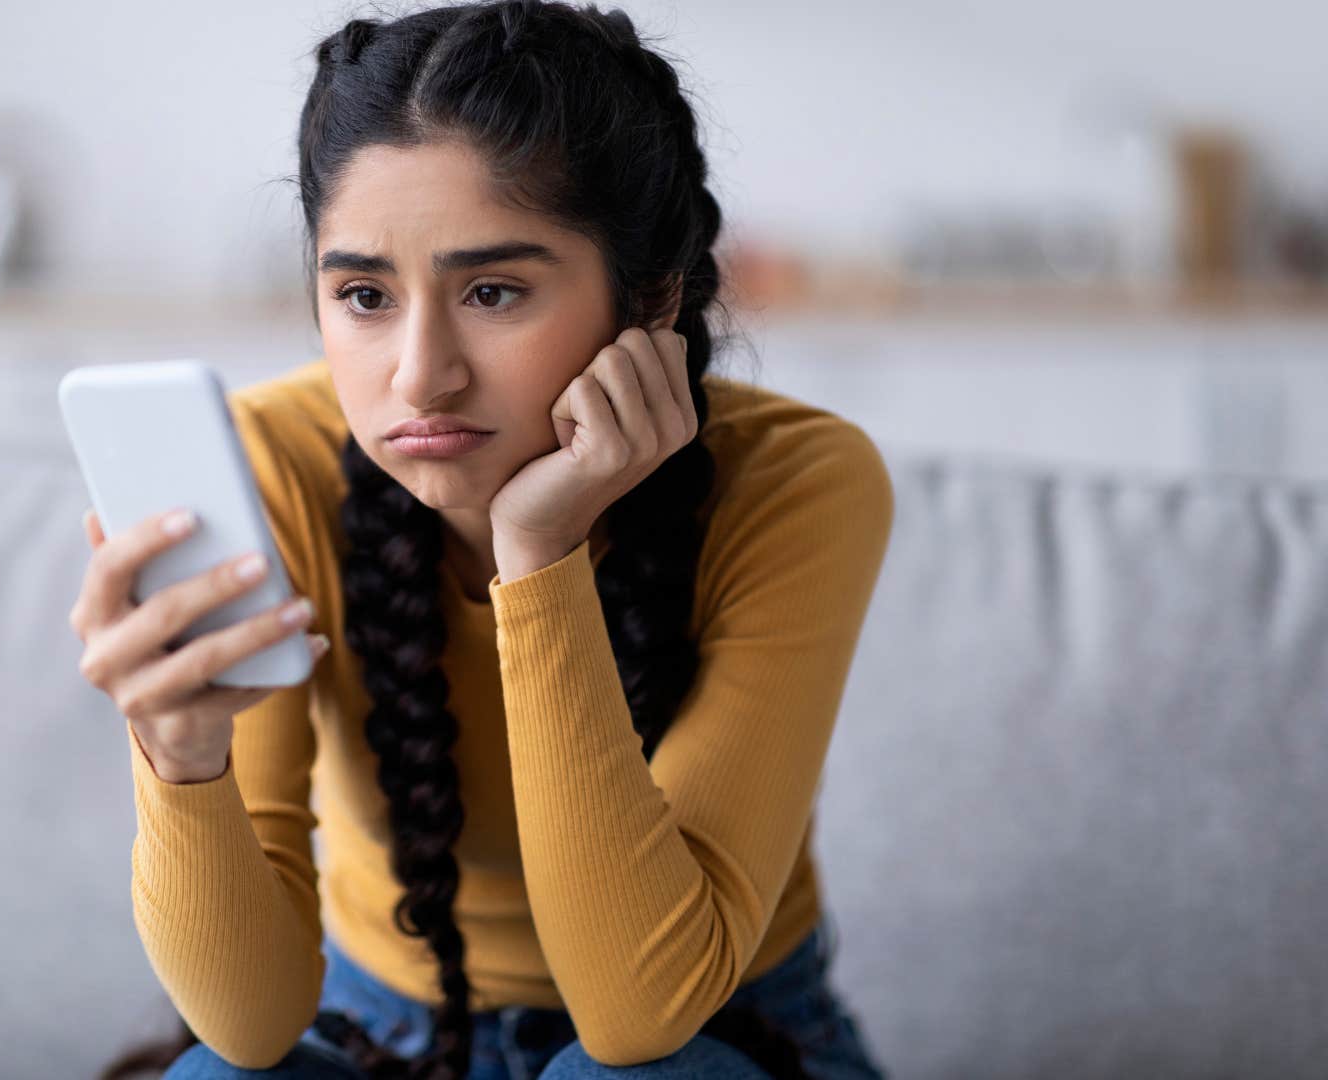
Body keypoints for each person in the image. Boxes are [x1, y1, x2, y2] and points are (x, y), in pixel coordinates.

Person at [69, 2, 895, 1077]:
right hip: (383, 1036)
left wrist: (540, 552)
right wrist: (179, 758)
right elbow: (252, 1025)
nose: (420, 375)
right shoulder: (276, 462)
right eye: (364, 294)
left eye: (494, 291)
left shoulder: (797, 483)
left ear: (650, 296)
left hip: (710, 1038)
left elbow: (639, 1013)